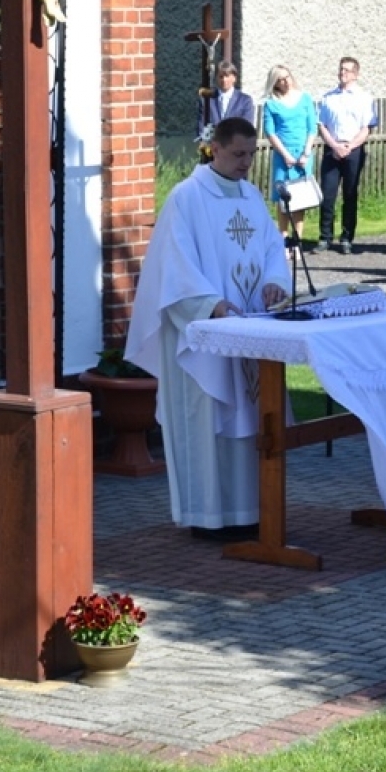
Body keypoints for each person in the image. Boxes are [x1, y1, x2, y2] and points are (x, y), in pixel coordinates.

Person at [124, 117, 291, 538]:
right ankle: (209, 517)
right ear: (214, 149)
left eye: (252, 155)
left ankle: (253, 511)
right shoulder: (186, 198)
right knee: (210, 417)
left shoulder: (252, 196)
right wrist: (211, 304)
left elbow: (273, 248)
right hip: (205, 337)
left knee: (252, 416)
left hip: (250, 329)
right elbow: (174, 265)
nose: (246, 163)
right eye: (239, 154)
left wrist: (274, 281)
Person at [316, 56, 377, 255]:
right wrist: (334, 145)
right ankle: (325, 237)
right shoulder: (328, 97)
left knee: (350, 195)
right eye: (341, 69)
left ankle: (347, 237)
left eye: (348, 70)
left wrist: (349, 146)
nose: (343, 73)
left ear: (356, 74)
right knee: (327, 195)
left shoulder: (364, 98)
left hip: (354, 149)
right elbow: (322, 126)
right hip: (332, 149)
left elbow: (367, 128)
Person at [260, 64, 318, 241]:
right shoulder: (271, 104)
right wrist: (285, 155)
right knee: (282, 199)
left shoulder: (305, 98)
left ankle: (297, 240)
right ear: (275, 83)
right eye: (281, 79)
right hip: (283, 156)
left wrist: (306, 152)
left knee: (300, 199)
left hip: (303, 155)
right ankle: (283, 238)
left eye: (287, 77)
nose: (286, 82)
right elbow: (270, 132)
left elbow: (312, 127)